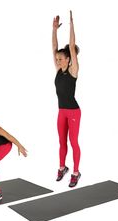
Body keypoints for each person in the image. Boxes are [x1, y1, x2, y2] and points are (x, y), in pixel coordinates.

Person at [52, 11, 81, 187]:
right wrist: (54, 29)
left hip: (73, 112)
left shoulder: (73, 70)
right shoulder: (58, 70)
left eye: (61, 59)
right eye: (57, 59)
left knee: (73, 142)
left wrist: (71, 25)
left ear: (69, 59)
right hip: (61, 111)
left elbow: (71, 46)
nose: (58, 61)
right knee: (62, 142)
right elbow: (54, 46)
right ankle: (62, 168)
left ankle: (76, 172)